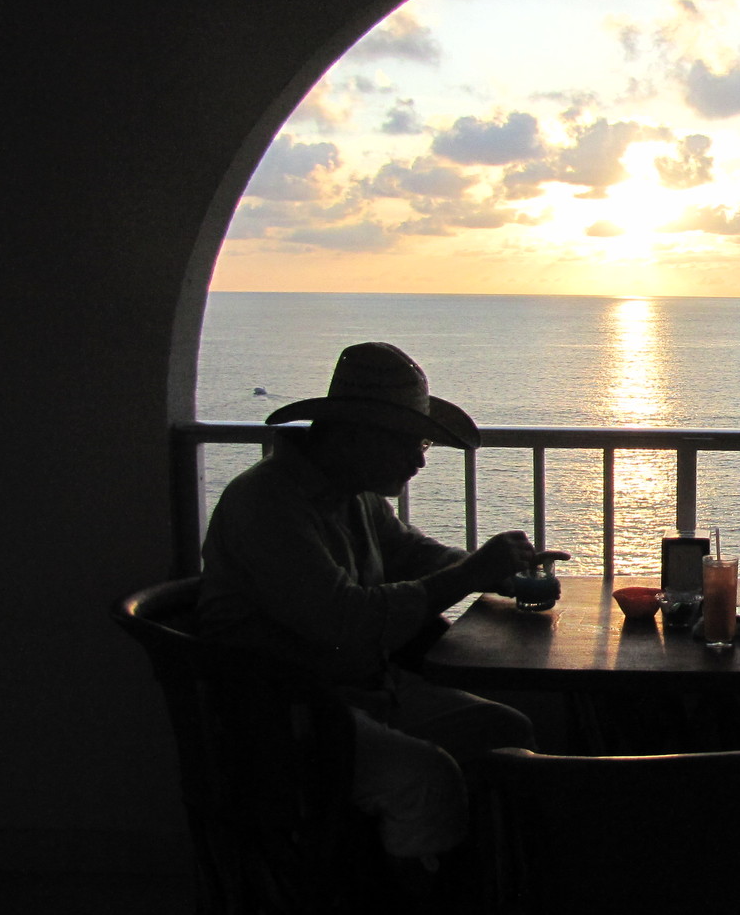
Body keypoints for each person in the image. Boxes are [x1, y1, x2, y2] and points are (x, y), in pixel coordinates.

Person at [196, 341, 566, 893]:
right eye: (411, 441)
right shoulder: (267, 504)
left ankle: (488, 883)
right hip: (282, 718)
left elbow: (413, 554)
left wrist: (496, 572)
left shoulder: (351, 495)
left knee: (504, 730)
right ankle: (415, 893)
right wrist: (468, 575)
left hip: (353, 694)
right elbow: (344, 624)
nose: (420, 459)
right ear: (354, 434)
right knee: (425, 777)